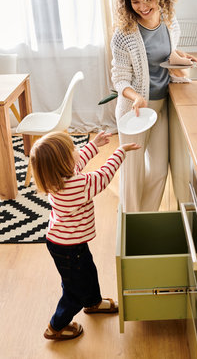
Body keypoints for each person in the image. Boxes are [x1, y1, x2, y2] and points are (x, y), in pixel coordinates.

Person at [30, 130, 140, 340]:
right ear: (63, 163)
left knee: (87, 272)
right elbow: (104, 175)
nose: (76, 151)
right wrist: (120, 151)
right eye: (72, 150)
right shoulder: (76, 185)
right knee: (74, 290)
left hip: (67, 242)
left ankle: (93, 302)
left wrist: (94, 145)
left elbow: (77, 163)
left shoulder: (58, 178)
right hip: (68, 247)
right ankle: (56, 326)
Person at [111, 0, 196, 212]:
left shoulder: (170, 22)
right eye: (135, 1)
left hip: (162, 106)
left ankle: (146, 219)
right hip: (135, 111)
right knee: (132, 172)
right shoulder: (124, 34)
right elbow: (120, 77)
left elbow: (166, 52)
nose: (143, 6)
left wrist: (180, 56)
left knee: (159, 170)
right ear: (128, 1)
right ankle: (131, 224)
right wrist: (135, 96)